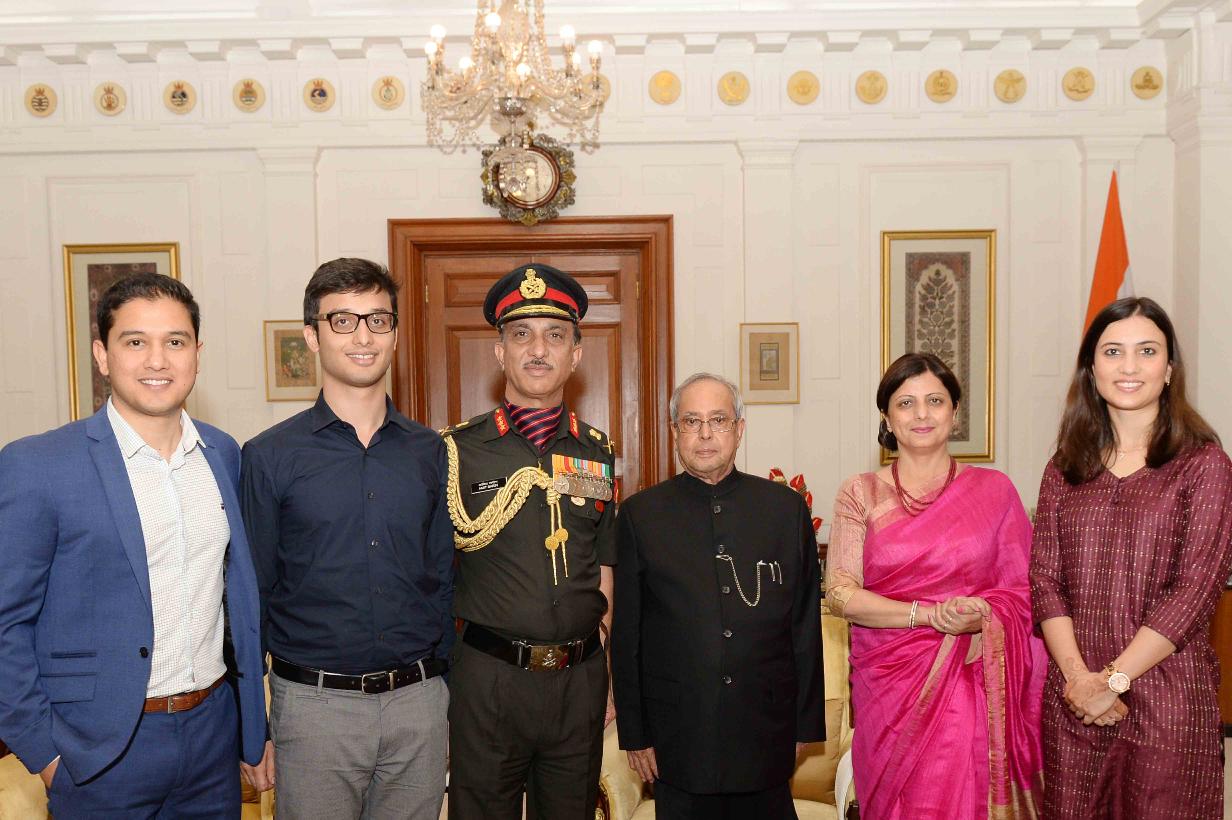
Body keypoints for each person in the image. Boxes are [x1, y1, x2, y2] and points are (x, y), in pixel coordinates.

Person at [0, 273, 267, 817]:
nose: (157, 360)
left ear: (197, 354)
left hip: (212, 740)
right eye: (135, 341)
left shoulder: (223, 454)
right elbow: (6, 622)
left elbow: (235, 603)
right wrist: (46, 753)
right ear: (102, 355)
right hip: (97, 754)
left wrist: (252, 729)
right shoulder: (38, 465)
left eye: (175, 341)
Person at [240, 258, 453, 820]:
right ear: (312, 337)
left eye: (378, 320)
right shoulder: (268, 456)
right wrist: (252, 726)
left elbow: (442, 579)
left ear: (395, 334)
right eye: (343, 321)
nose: (364, 337)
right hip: (314, 711)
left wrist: (448, 701)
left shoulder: (429, 452)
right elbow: (251, 598)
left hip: (418, 705)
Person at [1030, 297, 1232, 819]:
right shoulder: (1063, 469)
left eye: (1147, 351)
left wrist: (1112, 680)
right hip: (1074, 700)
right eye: (1113, 351)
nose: (1130, 366)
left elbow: (1195, 589)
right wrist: (1080, 680)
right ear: (1091, 368)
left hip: (1168, 698)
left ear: (1170, 369)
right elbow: (1045, 582)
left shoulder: (1204, 464)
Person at [826, 352, 1046, 819]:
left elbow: (1027, 590)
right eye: (906, 403)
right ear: (887, 417)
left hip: (970, 673)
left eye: (935, 400)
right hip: (887, 687)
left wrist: (983, 613)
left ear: (955, 412)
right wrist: (926, 615)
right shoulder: (859, 493)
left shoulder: (995, 491)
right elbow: (840, 593)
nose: (921, 414)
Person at [442, 262, 616, 820]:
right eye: (522, 334)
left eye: (555, 335)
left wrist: (604, 659)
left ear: (575, 354)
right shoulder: (456, 450)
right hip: (489, 680)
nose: (538, 349)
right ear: (500, 352)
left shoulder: (596, 451)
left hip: (578, 683)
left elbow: (603, 560)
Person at [611, 372, 825, 820]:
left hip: (765, 730)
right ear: (675, 431)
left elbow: (805, 625)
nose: (705, 434)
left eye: (718, 420)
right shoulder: (639, 516)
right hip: (678, 735)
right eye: (691, 421)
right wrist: (635, 733)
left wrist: (805, 723)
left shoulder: (785, 510)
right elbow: (627, 636)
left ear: (739, 429)